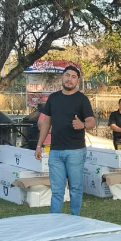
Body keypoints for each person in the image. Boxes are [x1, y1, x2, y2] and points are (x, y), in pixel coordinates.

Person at [35, 65, 96, 216]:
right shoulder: (53, 98)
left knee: (75, 188)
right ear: (62, 77)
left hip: (75, 151)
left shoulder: (82, 99)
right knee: (56, 190)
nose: (69, 79)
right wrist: (38, 145)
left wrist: (82, 125)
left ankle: (75, 219)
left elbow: (92, 122)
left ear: (78, 80)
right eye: (67, 75)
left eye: (73, 77)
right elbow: (46, 124)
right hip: (55, 152)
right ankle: (55, 220)